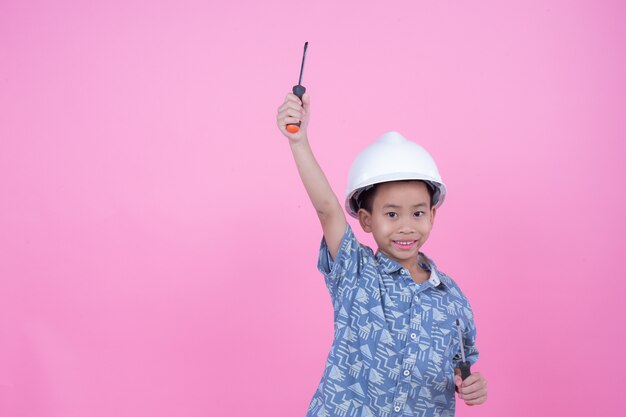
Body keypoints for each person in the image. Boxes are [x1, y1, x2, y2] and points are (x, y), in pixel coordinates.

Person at [276, 92, 488, 417]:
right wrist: (299, 141)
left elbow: (461, 366)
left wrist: (470, 384)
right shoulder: (356, 273)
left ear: (432, 215)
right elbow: (328, 209)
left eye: (417, 214)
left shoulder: (453, 298)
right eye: (391, 215)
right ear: (365, 220)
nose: (406, 227)